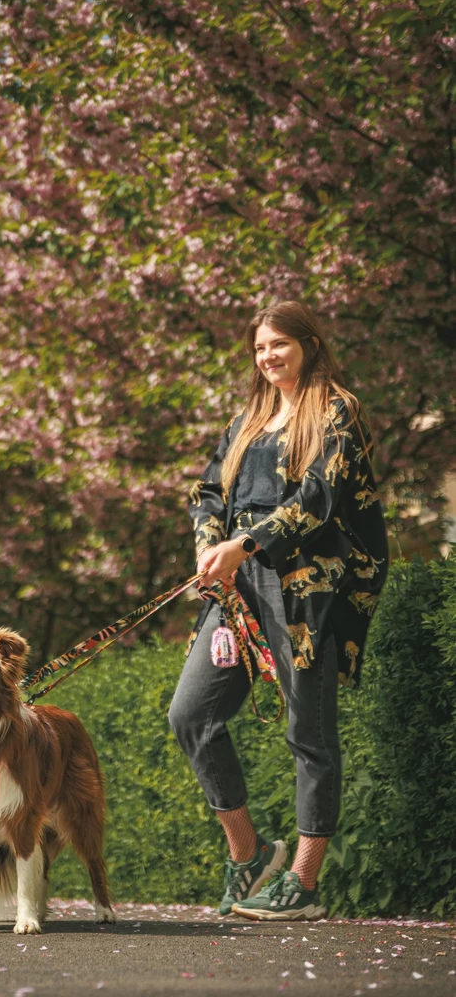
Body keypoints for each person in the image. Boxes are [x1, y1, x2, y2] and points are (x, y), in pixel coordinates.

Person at [168, 300, 389, 921]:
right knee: (191, 715)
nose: (267, 357)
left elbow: (319, 499)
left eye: (279, 345)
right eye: (260, 348)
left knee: (309, 733)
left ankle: (304, 881)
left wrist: (245, 543)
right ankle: (250, 852)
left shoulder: (338, 410)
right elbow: (209, 489)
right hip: (237, 587)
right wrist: (211, 543)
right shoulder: (250, 417)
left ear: (309, 344)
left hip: (305, 588)